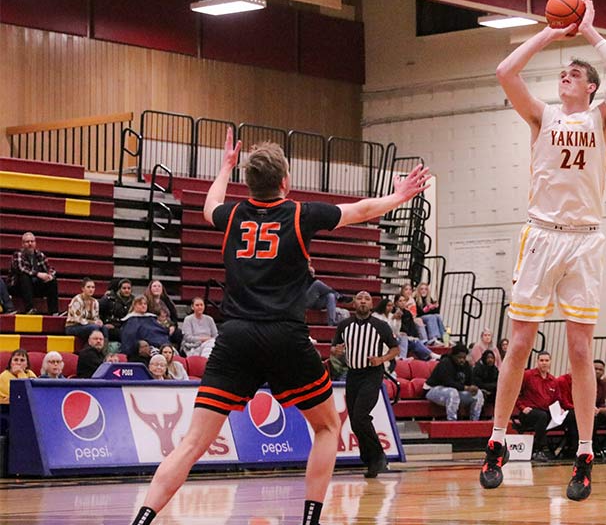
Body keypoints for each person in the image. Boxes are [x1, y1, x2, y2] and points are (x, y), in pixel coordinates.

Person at [130, 128, 430, 525]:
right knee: (325, 428)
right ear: (285, 182)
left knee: (191, 444)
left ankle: (141, 520)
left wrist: (224, 167)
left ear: (249, 183)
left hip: (235, 337)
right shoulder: (301, 213)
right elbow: (361, 210)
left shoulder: (233, 214)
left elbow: (209, 205)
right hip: (285, 337)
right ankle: (309, 521)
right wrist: (401, 195)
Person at [481, 0, 606, 502]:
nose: (564, 77)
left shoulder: (601, 120)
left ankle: (585, 451)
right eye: (562, 73)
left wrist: (588, 31)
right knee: (520, 343)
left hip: (585, 240)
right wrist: (550, 30)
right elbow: (505, 70)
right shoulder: (542, 116)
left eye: (574, 74)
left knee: (582, 349)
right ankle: (497, 440)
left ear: (590, 86)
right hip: (541, 234)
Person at [333, 290, 399, 478]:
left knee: (361, 416)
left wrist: (381, 359)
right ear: (354, 303)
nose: (363, 301)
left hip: (372, 374)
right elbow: (335, 348)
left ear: (371, 305)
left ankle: (378, 456)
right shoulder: (344, 325)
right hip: (352, 375)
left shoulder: (381, 326)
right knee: (355, 421)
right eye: (359, 298)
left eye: (367, 299)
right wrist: (336, 351)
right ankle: (370, 460)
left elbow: (396, 349)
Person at [512, 351, 576, 462]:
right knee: (541, 416)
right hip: (529, 412)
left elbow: (557, 399)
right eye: (541, 360)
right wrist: (522, 407)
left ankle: (571, 448)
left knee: (571, 415)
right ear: (537, 362)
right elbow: (515, 392)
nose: (544, 363)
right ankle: (539, 450)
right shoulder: (527, 375)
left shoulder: (553, 380)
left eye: (546, 360)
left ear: (550, 362)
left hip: (547, 412)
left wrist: (560, 409)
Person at [424, 344, 484, 421]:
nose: (462, 360)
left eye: (464, 357)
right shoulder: (445, 362)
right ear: (453, 356)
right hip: (432, 389)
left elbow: (470, 381)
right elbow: (447, 382)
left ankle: (474, 421)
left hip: (455, 391)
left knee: (478, 394)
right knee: (452, 392)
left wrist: (473, 387)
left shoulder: (466, 365)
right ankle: (451, 421)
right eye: (459, 357)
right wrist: (466, 388)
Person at [10, 232, 59, 314]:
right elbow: (21, 269)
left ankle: (54, 312)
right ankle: (29, 309)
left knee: (52, 281)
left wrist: (50, 275)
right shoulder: (18, 254)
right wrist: (38, 274)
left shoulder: (39, 255)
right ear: (22, 244)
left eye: (32, 241)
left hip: (34, 287)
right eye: (27, 242)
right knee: (24, 276)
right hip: (18, 287)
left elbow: (49, 268)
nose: (30, 244)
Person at [120, 297, 170, 362]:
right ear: (134, 306)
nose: (143, 306)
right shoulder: (131, 320)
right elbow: (130, 336)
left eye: (145, 304)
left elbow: (160, 331)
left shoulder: (151, 318)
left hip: (161, 345)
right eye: (140, 304)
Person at [65, 278, 110, 342]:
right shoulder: (77, 300)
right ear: (83, 289)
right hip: (73, 326)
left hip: (88, 325)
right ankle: (93, 347)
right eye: (88, 287)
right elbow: (78, 319)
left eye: (93, 287)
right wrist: (93, 322)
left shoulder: (95, 302)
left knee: (104, 328)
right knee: (94, 328)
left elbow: (95, 317)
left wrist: (99, 321)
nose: (91, 289)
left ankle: (104, 349)